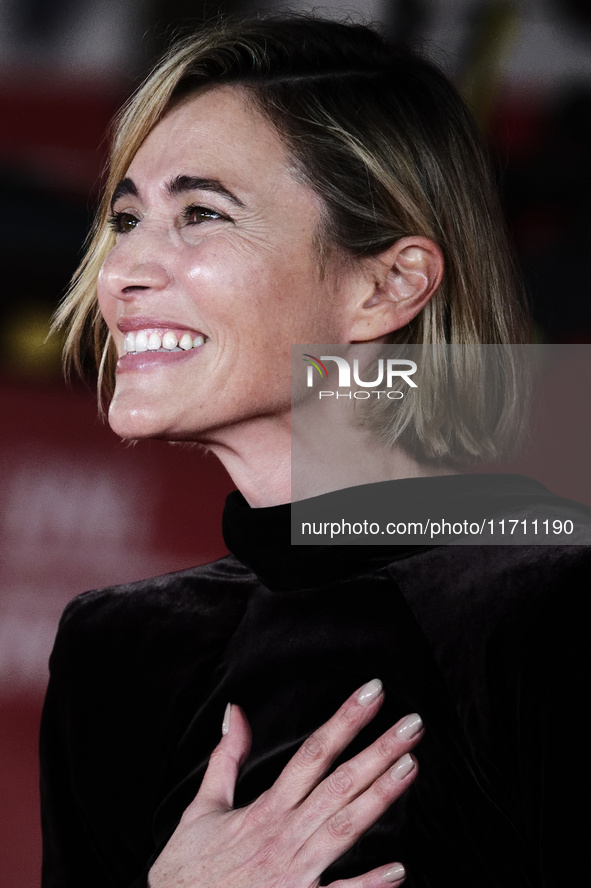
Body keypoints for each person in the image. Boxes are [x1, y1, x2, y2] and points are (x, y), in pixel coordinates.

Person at [41, 15, 589, 888]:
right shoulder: (115, 652)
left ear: (387, 286)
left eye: (200, 214)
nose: (122, 272)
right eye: (126, 218)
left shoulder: (553, 612)